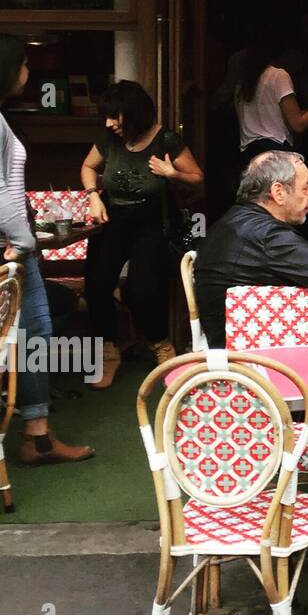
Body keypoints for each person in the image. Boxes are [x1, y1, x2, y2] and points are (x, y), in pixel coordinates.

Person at [0, 34, 93, 467]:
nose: (29, 72)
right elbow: (4, 195)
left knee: (33, 335)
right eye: (23, 64)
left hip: (16, 250)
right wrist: (23, 244)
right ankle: (34, 435)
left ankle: (37, 435)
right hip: (12, 253)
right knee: (30, 335)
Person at [80, 81, 204, 388]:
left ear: (134, 114)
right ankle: (108, 352)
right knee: (96, 282)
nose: (109, 123)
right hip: (114, 220)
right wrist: (94, 195)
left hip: (151, 223)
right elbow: (87, 166)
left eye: (115, 116)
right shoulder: (109, 138)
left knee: (142, 288)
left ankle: (162, 346)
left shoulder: (166, 140)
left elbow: (197, 178)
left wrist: (172, 173)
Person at [193, 151, 308, 348]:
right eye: (306, 186)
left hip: (227, 349)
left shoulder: (231, 222)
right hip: (253, 361)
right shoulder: (266, 236)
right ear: (279, 192)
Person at [233, 37, 308, 167]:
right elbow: (298, 124)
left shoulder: (242, 83)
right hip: (275, 153)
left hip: (249, 154)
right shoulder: (278, 76)